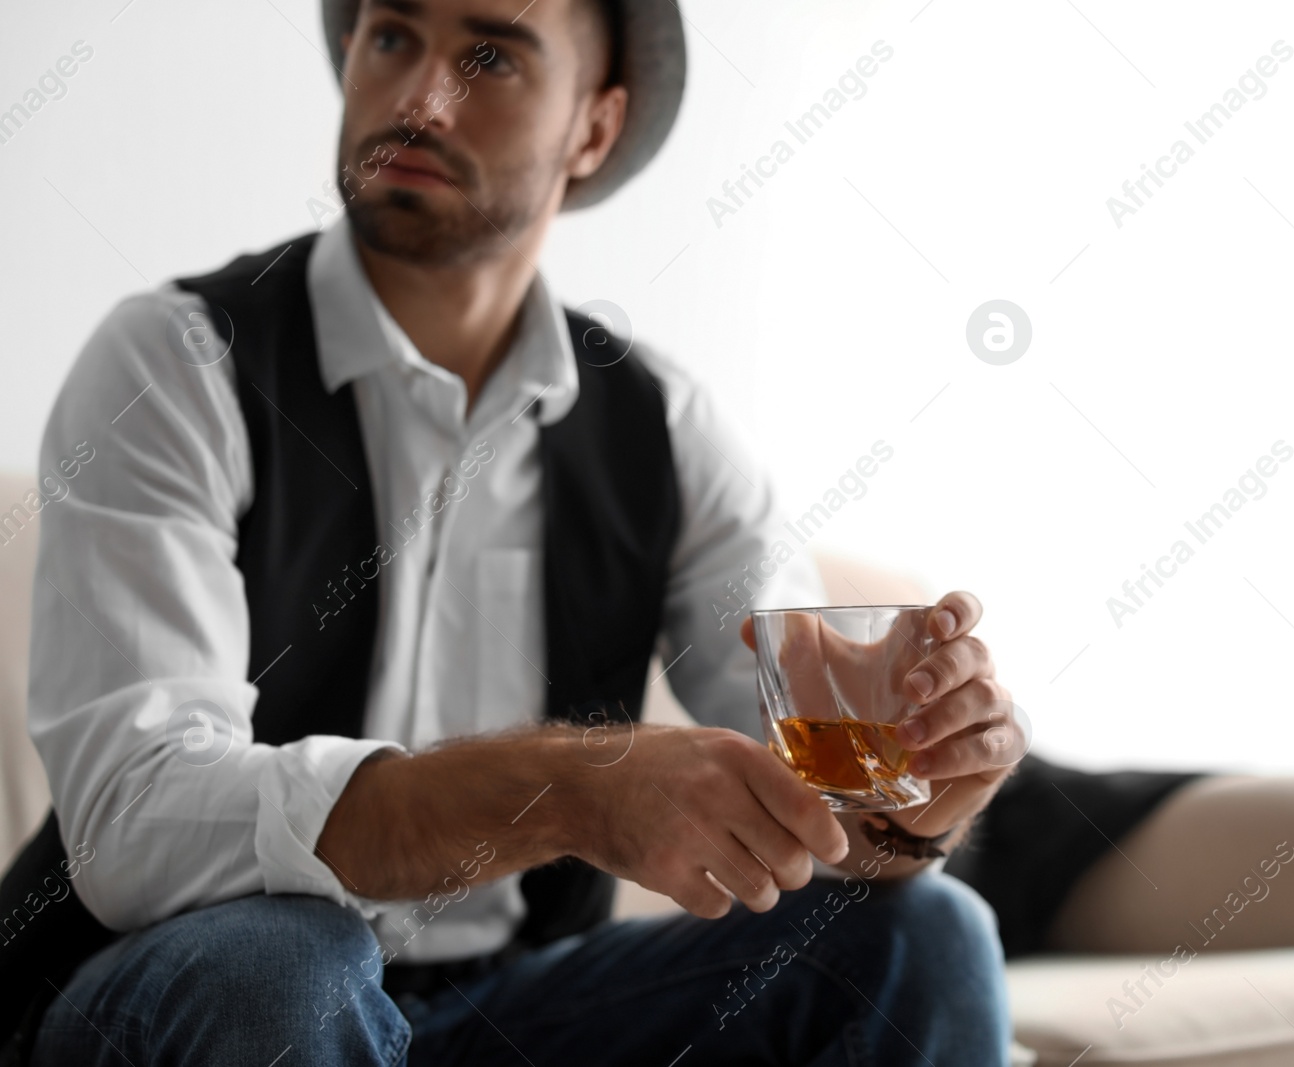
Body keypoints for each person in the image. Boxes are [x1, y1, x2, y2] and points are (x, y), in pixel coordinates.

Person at [5, 1, 1025, 1063]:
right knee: (286, 962)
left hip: (510, 1010)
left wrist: (913, 802)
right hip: (176, 994)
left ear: (593, 127)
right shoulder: (173, 364)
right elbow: (135, 824)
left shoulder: (665, 427)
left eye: (488, 54)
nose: (417, 96)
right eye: (392, 36)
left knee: (922, 930)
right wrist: (568, 790)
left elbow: (820, 813)